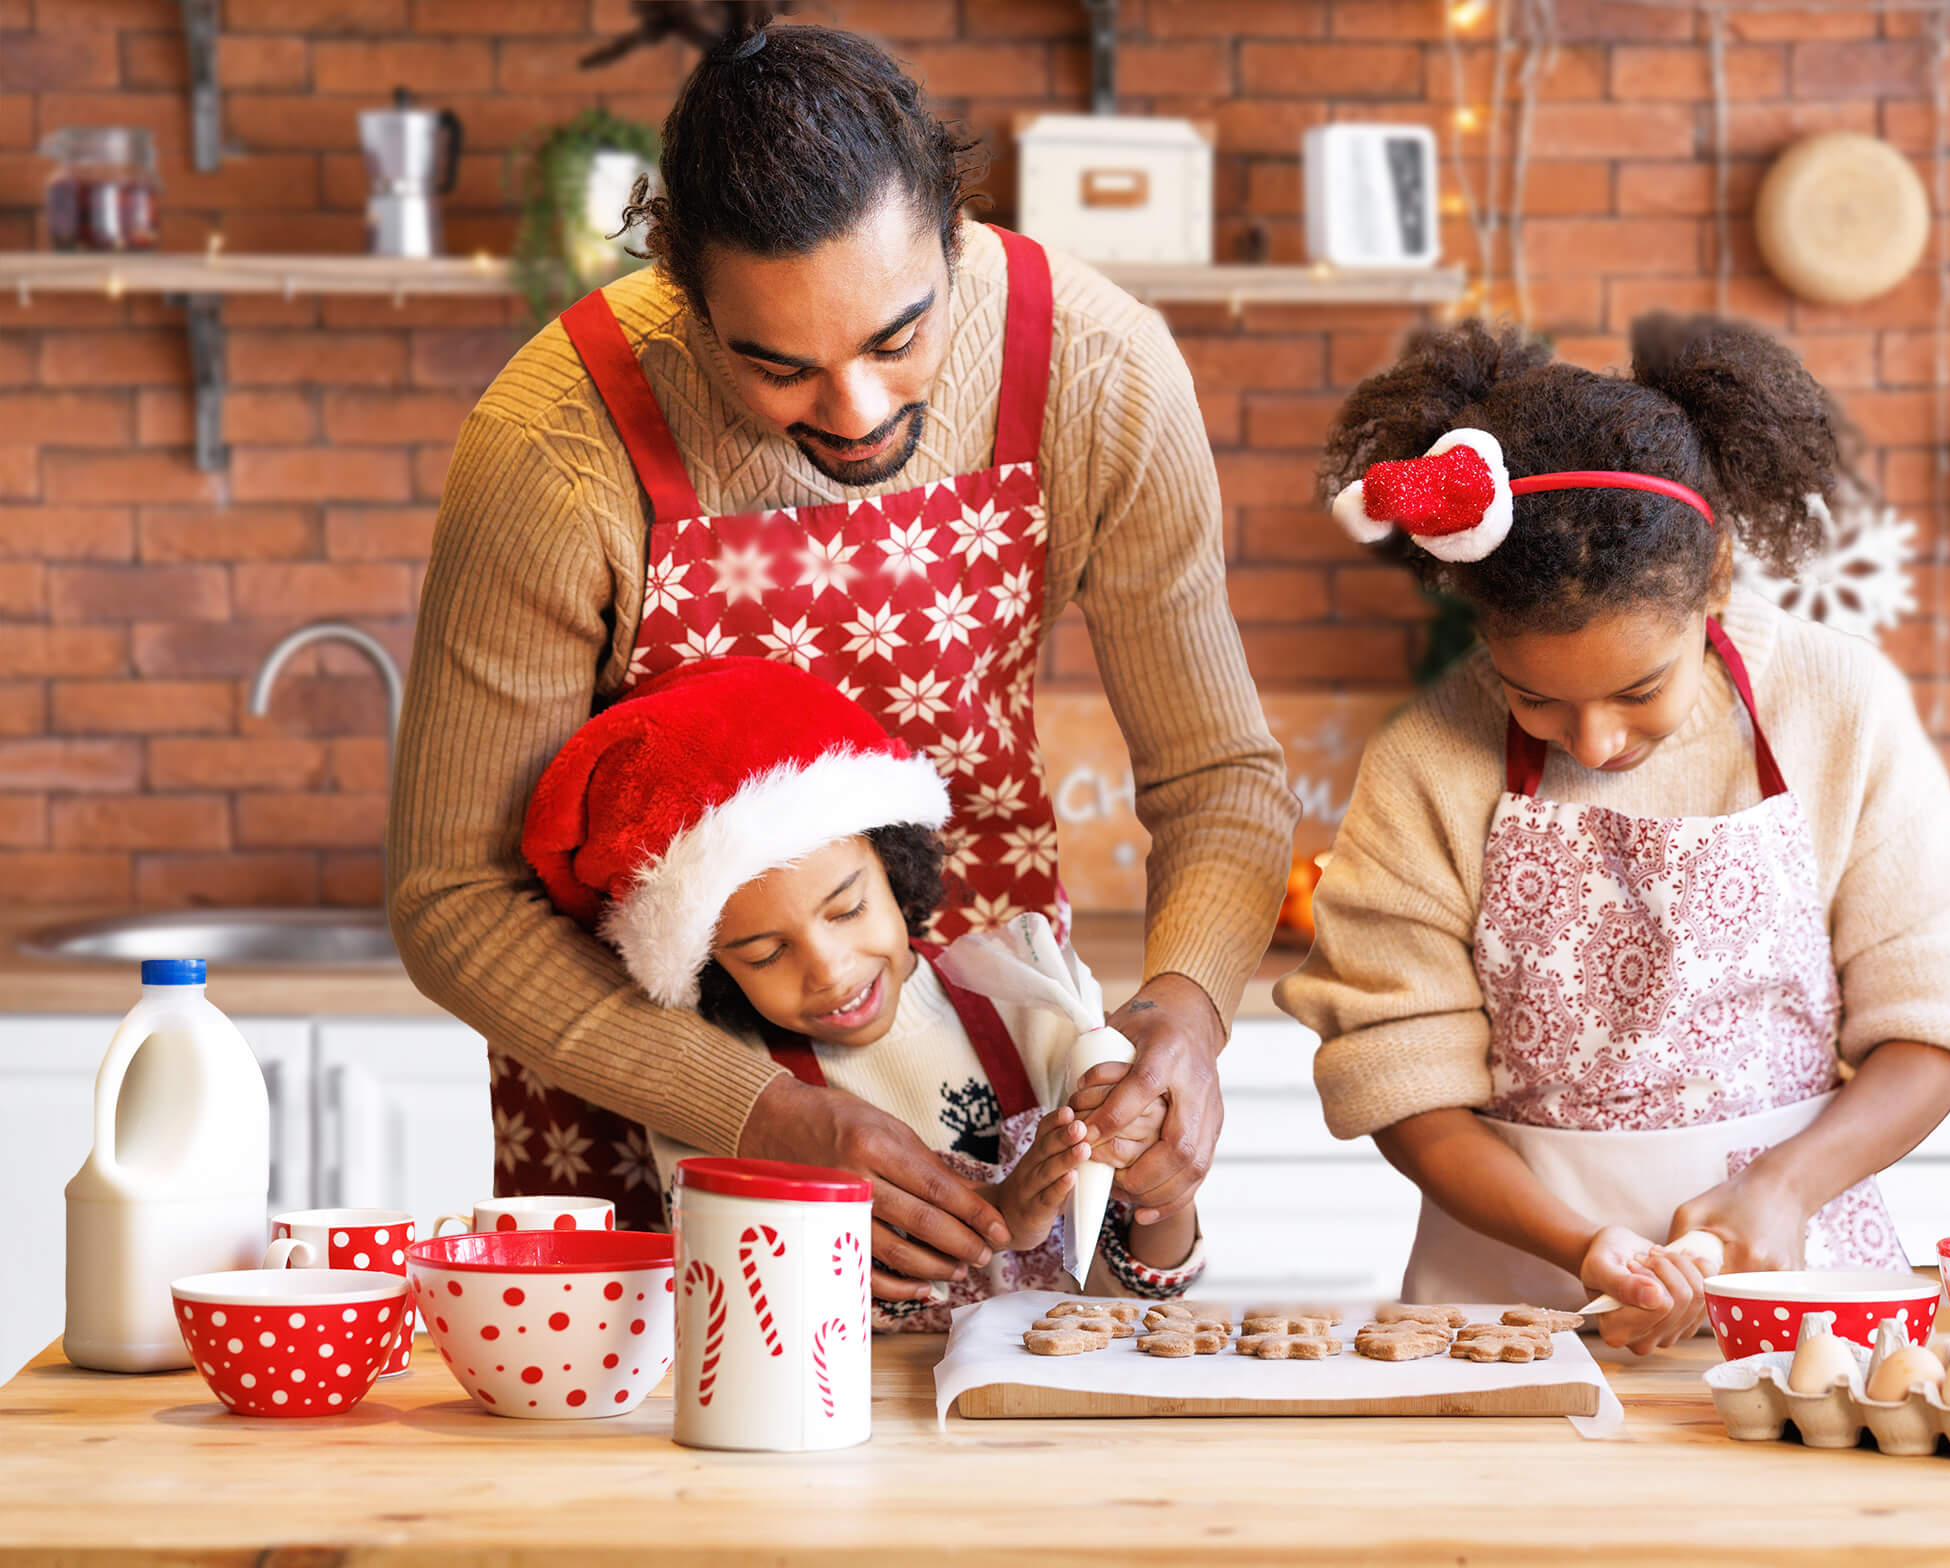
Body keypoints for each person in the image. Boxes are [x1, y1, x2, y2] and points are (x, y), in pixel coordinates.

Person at [387, 21, 1293, 1308]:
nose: (858, 411)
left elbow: (1221, 778)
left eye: (898, 335)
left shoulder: (1096, 368)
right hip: (642, 1114)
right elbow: (452, 899)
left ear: (955, 232)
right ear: (688, 305)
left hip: (985, 1082)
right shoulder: (553, 443)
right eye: (778, 366)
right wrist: (754, 1112)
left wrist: (1191, 1014)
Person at [1275, 314, 1950, 1354]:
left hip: (1802, 1293)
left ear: (1715, 573)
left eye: (1640, 688)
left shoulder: (1831, 703)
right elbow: (1404, 1081)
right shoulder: (1428, 759)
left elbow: (1935, 1015)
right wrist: (1586, 1248)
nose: (1595, 736)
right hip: (1511, 1305)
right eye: (1534, 698)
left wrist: (1783, 1185)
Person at [521, 657, 1203, 1324]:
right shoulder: (714, 1088)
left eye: (847, 910)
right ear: (711, 967)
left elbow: (1144, 1296)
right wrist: (998, 1216)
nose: (828, 970)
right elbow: (752, 1310)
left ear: (896, 865)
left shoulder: (1032, 1005)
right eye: (765, 953)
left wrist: (1156, 1181)